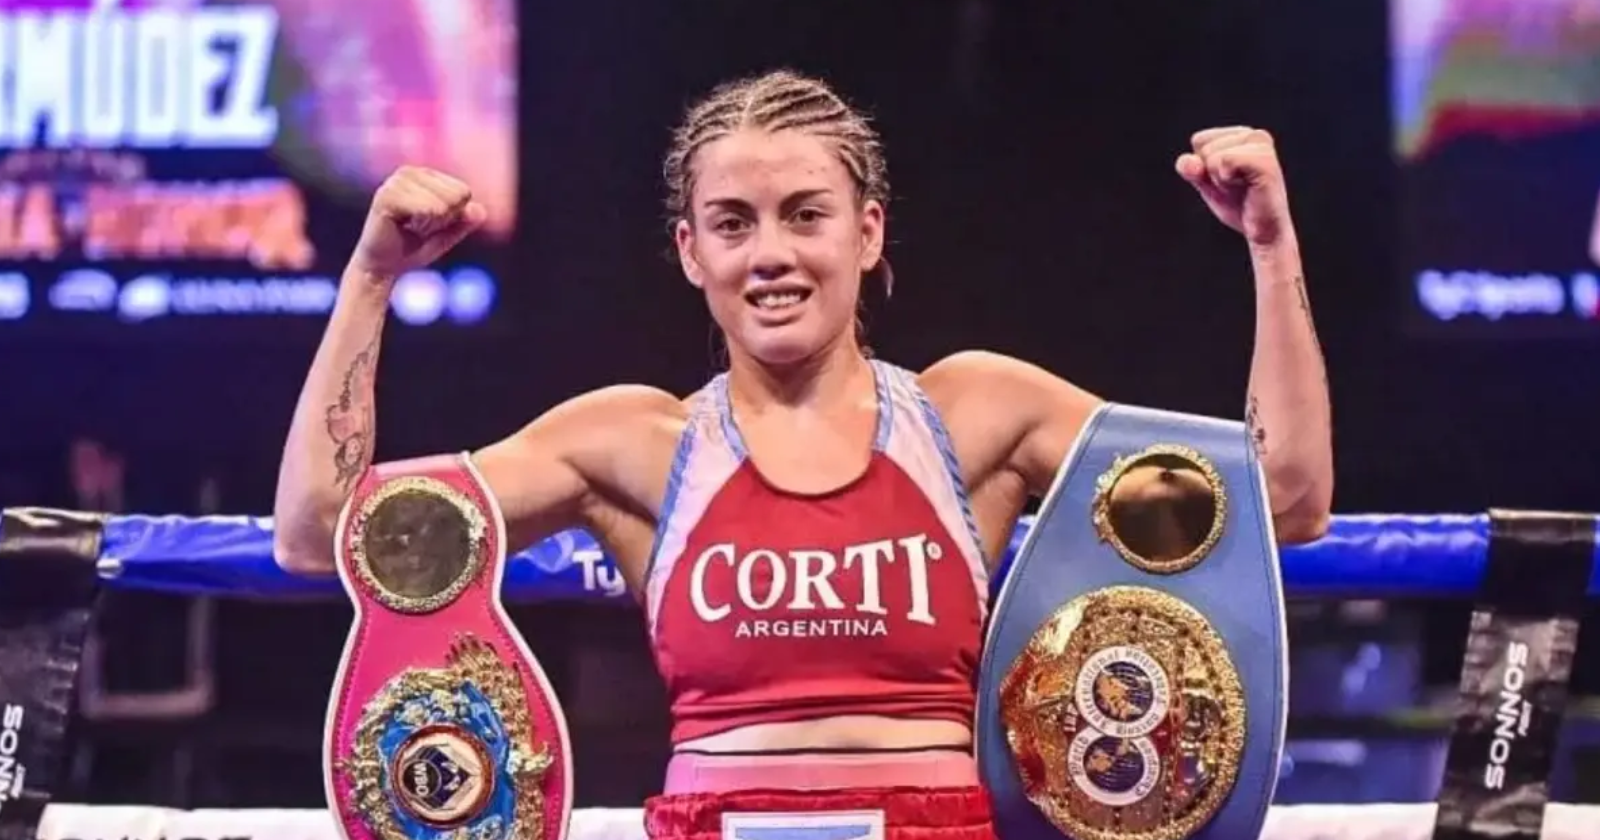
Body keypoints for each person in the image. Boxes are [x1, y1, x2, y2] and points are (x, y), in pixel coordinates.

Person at [273, 69, 1331, 839]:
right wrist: (369, 279)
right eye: (733, 223)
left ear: (866, 234)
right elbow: (320, 536)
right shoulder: (629, 445)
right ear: (692, 252)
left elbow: (1284, 499)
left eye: (804, 215)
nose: (770, 253)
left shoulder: (977, 416)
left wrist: (1270, 243)